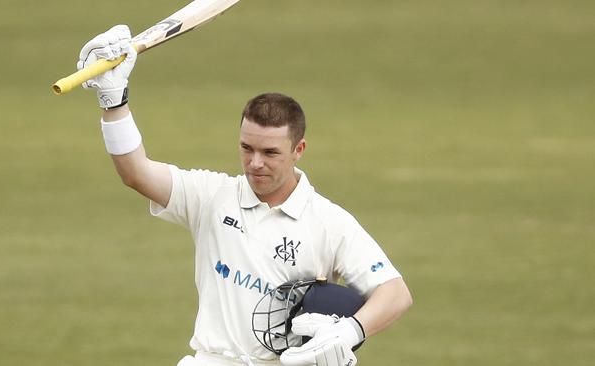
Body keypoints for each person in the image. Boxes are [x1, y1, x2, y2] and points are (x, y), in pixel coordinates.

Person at [78, 25, 413, 366]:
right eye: (246, 148)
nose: (255, 163)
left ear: (299, 149)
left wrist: (348, 332)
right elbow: (136, 173)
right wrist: (114, 102)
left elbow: (395, 294)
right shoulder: (212, 195)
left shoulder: (329, 222)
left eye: (270, 152)